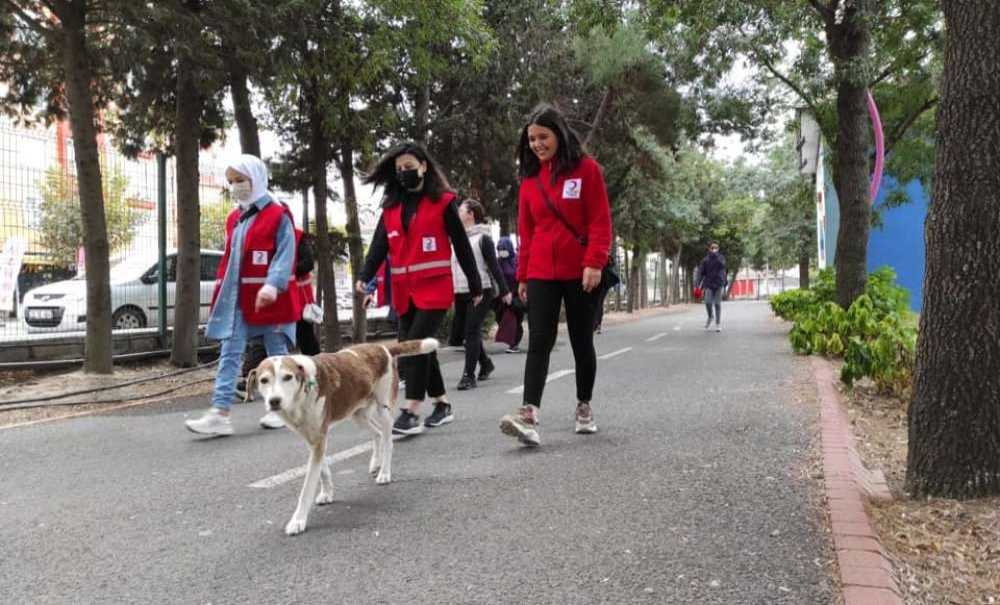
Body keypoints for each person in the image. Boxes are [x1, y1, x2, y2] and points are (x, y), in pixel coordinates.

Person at [499, 103, 613, 447]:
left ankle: (583, 406)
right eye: (531, 139)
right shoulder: (530, 182)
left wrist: (594, 262)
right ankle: (529, 413)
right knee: (539, 342)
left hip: (581, 272)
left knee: (581, 340)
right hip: (541, 273)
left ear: (559, 135)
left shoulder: (587, 170)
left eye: (542, 137)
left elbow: (599, 221)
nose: (536, 144)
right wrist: (522, 276)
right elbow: (527, 232)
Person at [356, 142, 483, 435]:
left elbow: (462, 246)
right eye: (399, 169)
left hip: (435, 289)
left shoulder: (443, 202)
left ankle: (411, 410)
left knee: (411, 347)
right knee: (423, 348)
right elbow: (378, 245)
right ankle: (442, 405)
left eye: (409, 167)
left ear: (424, 166)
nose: (404, 173)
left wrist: (475, 284)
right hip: (405, 292)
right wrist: (365, 274)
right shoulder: (391, 207)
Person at [185, 154, 301, 436]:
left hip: (271, 300)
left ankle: (281, 410)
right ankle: (220, 414)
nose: (235, 186)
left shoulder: (278, 213)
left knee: (277, 357)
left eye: (241, 180)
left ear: (257, 178)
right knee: (229, 353)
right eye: (231, 181)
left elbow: (286, 253)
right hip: (240, 299)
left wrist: (272, 285)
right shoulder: (234, 218)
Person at [453, 199, 511, 390]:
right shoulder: (457, 238)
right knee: (464, 333)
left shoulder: (483, 239)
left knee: (471, 331)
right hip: (461, 291)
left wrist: (505, 291)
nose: (457, 212)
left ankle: (468, 376)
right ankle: (485, 363)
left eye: (461, 210)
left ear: (471, 215)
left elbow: (494, 267)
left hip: (482, 291)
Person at [496, 234, 524, 353]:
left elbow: (520, 277)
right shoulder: (498, 262)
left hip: (516, 295)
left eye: (504, 249)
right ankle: (511, 342)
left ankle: (514, 344)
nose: (502, 252)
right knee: (502, 319)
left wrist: (514, 293)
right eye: (500, 249)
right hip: (501, 297)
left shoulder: (517, 261)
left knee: (515, 320)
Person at [696, 241, 727, 332]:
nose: (714, 249)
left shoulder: (721, 258)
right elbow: (701, 272)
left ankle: (718, 324)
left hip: (718, 283)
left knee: (717, 304)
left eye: (716, 248)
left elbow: (722, 265)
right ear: (709, 249)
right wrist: (698, 283)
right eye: (713, 248)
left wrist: (716, 256)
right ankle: (710, 316)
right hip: (708, 284)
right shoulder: (705, 260)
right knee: (708, 302)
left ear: (718, 249)